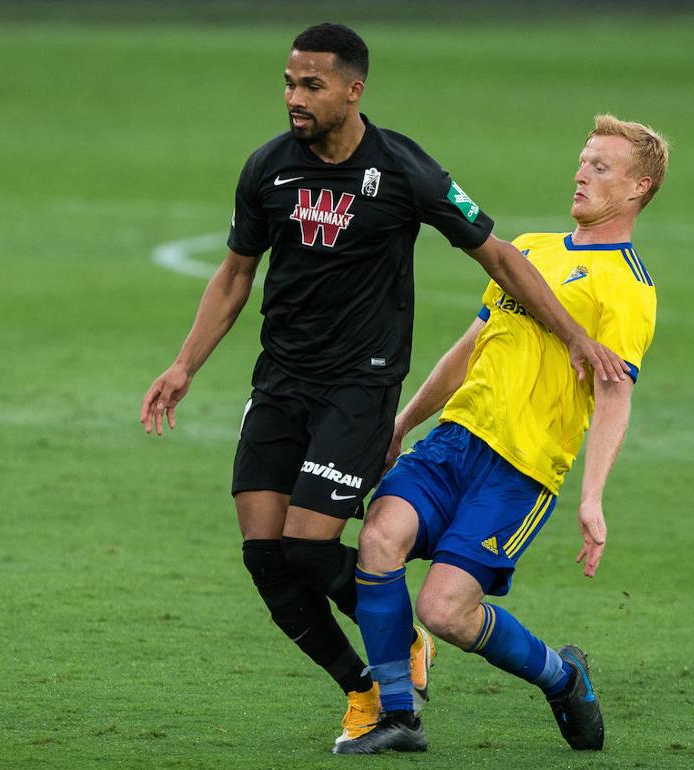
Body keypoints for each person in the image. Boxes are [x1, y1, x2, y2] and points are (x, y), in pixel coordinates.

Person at [139, 23, 627, 747]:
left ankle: (399, 649)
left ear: (353, 90)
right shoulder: (268, 169)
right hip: (279, 385)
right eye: (288, 83)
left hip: (360, 390)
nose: (294, 98)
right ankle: (365, 691)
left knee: (308, 546)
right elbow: (237, 273)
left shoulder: (404, 170)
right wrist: (184, 365)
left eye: (311, 85)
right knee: (264, 557)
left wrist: (574, 335)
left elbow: (498, 256)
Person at [335, 115, 669, 755]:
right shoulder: (532, 248)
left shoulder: (628, 287)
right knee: (379, 538)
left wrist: (592, 497)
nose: (580, 173)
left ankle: (564, 677)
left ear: (638, 189)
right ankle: (397, 716)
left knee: (445, 612)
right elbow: (468, 349)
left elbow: (614, 394)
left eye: (601, 167)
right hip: (452, 443)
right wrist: (403, 425)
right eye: (582, 159)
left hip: (521, 471)